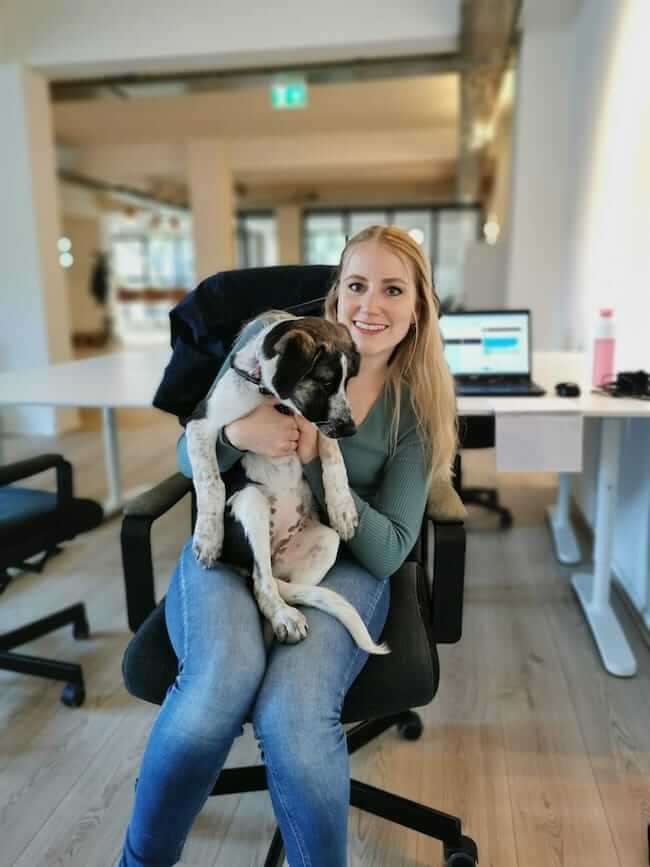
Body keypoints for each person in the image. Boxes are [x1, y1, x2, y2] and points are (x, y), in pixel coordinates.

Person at [118, 225, 458, 867]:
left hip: (339, 559)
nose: (370, 306)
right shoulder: (274, 353)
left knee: (297, 723)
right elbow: (188, 457)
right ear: (336, 295)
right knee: (214, 690)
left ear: (418, 308)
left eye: (393, 289)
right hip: (239, 540)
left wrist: (318, 455)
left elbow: (386, 553)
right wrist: (238, 434)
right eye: (356, 285)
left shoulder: (413, 410)